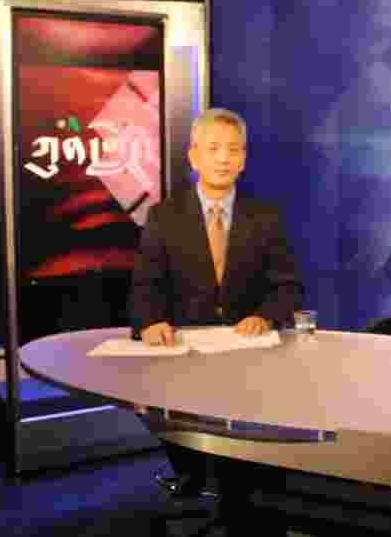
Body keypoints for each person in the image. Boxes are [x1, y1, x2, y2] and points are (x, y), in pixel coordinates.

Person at [128, 108, 302, 532]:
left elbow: (288, 288)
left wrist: (264, 316)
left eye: (234, 150)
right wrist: (149, 323)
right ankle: (200, 487)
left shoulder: (266, 217)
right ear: (193, 157)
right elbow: (145, 287)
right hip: (185, 359)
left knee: (242, 472)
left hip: (248, 360)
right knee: (194, 445)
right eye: (213, 149)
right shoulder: (164, 217)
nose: (223, 158)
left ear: (244, 159)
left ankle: (239, 506)